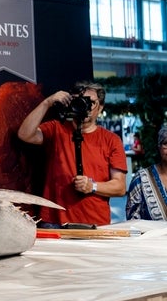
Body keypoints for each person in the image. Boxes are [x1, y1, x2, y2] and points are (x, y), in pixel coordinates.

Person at [17, 81, 127, 227]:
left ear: (100, 108)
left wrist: (92, 186)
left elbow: (119, 187)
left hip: (95, 222)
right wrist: (47, 102)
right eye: (79, 101)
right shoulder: (57, 129)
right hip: (55, 220)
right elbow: (25, 134)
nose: (85, 106)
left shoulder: (111, 140)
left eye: (91, 102)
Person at [126, 126, 167, 220]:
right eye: (166, 143)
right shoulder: (140, 179)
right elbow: (132, 223)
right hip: (150, 235)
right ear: (159, 147)